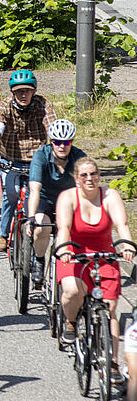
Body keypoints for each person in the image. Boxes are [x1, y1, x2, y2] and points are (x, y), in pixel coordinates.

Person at [55, 158, 134, 381]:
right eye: (84, 175)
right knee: (72, 290)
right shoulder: (68, 198)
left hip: (104, 256)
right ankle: (70, 323)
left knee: (109, 308)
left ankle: (112, 363)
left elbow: (122, 226)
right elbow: (64, 229)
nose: (90, 179)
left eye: (94, 174)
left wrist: (127, 246)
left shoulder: (110, 196)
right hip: (74, 253)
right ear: (76, 179)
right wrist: (63, 249)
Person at [0, 69, 57, 252]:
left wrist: (58, 151)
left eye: (27, 90)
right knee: (11, 196)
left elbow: (53, 128)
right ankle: (2, 234)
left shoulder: (44, 105)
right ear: (12, 92)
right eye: (19, 91)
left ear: (34, 91)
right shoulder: (4, 107)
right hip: (10, 160)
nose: (23, 95)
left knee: (40, 196)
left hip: (37, 160)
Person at [27, 119, 84, 287]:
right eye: (57, 142)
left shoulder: (78, 157)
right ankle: (38, 260)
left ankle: (64, 273)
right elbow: (35, 190)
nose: (62, 146)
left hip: (67, 201)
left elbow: (85, 190)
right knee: (41, 227)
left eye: (66, 142)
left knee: (64, 239)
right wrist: (31, 217)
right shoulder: (41, 155)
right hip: (44, 198)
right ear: (51, 142)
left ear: (71, 143)